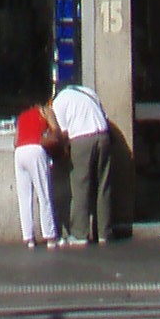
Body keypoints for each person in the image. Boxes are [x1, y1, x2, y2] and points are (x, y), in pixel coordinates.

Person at [50, 76, 112, 244]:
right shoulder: (89, 93)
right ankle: (104, 233)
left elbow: (62, 133)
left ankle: (79, 234)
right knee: (103, 185)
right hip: (104, 135)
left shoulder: (59, 101)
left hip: (81, 138)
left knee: (80, 186)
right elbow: (104, 115)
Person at [13, 98, 64, 247]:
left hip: (20, 152)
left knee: (24, 197)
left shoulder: (22, 116)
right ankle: (50, 236)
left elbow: (15, 140)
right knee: (44, 194)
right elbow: (56, 131)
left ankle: (28, 237)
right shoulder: (45, 111)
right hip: (36, 149)